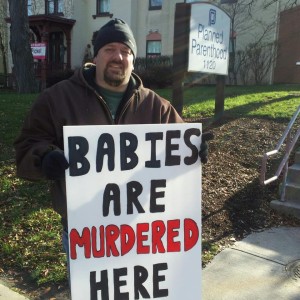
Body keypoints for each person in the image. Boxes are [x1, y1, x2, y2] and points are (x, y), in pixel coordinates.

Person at [14, 18, 211, 279]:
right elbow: (27, 148)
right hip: (86, 233)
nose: (118, 56)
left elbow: (175, 153)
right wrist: (44, 159)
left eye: (126, 51)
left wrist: (194, 152)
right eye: (109, 49)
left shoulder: (157, 107)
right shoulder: (57, 99)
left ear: (133, 59)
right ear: (95, 57)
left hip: (144, 232)